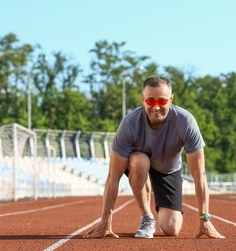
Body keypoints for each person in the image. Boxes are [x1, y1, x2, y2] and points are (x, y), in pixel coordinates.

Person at [85, 75, 224, 239]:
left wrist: (204, 219)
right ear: (143, 100)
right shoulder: (129, 124)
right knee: (139, 161)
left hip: (168, 169)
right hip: (140, 163)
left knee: (171, 228)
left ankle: (165, 211)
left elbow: (199, 175)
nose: (156, 107)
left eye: (162, 101)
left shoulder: (186, 122)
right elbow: (113, 176)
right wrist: (105, 221)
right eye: (151, 101)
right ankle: (147, 217)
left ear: (171, 99)